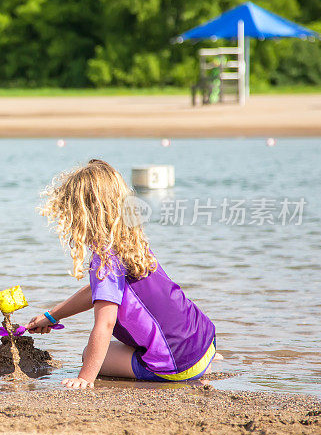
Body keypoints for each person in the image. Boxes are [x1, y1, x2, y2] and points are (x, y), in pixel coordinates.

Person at [27, 159, 219, 389]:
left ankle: (185, 369)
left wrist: (85, 377)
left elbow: (105, 324)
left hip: (176, 365)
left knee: (90, 353)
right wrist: (52, 316)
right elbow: (97, 292)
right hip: (204, 342)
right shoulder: (131, 242)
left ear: (83, 215)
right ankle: (203, 364)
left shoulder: (105, 260)